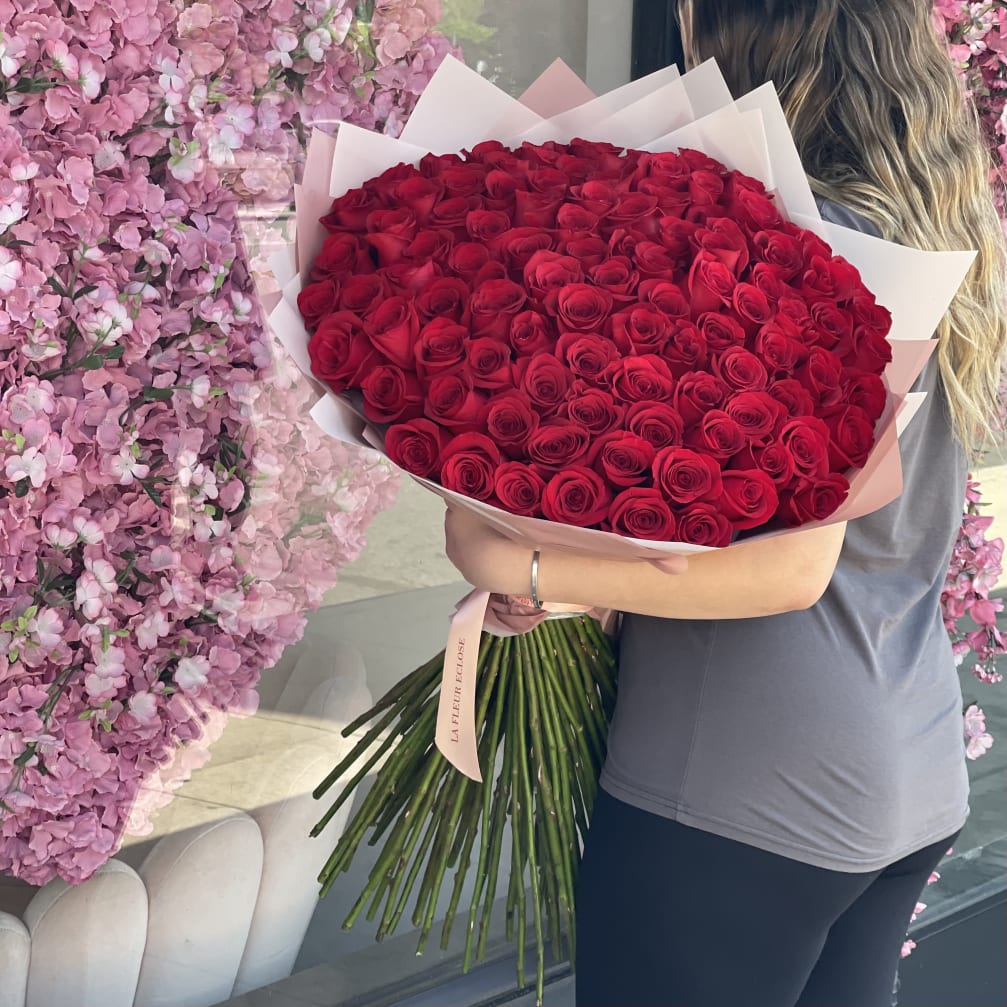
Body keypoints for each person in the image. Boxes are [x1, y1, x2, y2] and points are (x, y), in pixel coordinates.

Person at [442, 0, 1007, 1004]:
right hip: (902, 768)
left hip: (742, 790)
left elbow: (791, 565)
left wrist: (516, 562)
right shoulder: (915, 233)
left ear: (755, 45)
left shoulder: (796, 254)